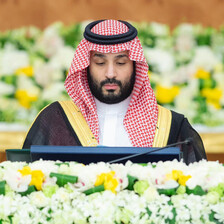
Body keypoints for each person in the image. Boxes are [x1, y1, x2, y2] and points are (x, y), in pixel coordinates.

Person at [22, 19, 207, 164]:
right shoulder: (55, 120)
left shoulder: (172, 127)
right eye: (100, 63)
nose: (110, 73)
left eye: (121, 63)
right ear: (86, 66)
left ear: (135, 66)